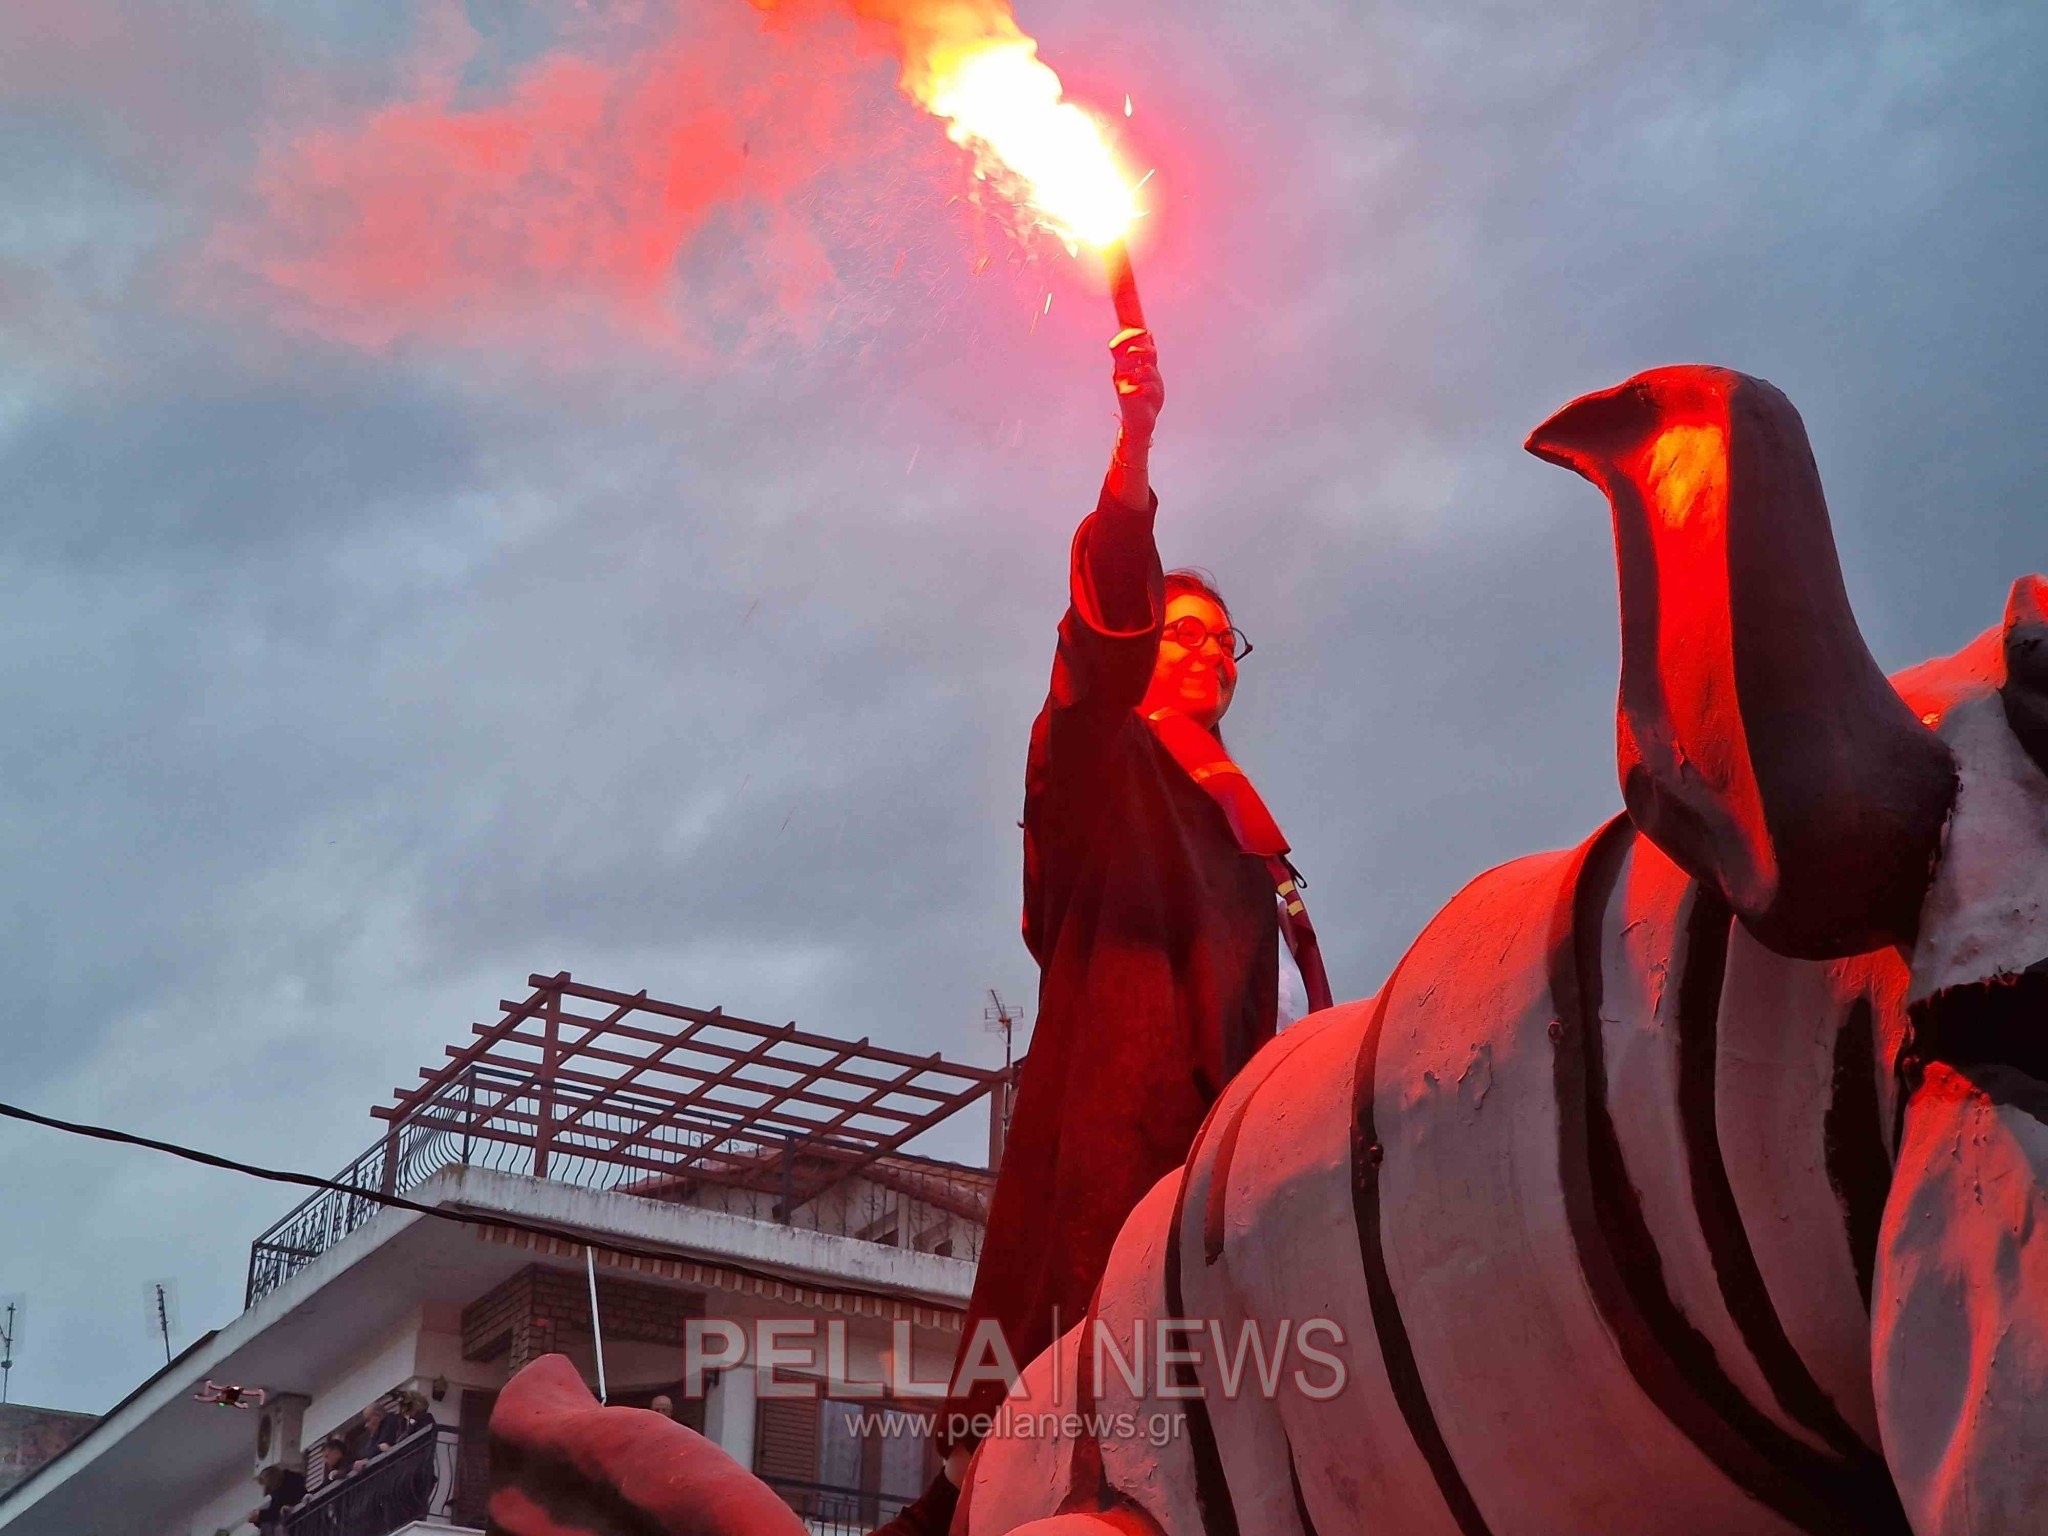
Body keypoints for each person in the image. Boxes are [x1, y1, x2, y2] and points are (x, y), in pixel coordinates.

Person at [936, 325, 1332, 1449]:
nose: (1210, 653)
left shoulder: (1243, 821)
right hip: (1120, 1166)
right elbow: (1101, 632)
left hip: (1231, 1156)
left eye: (1225, 641)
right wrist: (1134, 440)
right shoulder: (1103, 764)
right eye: (1184, 633)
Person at [247, 1462, 306, 1534]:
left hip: (299, 1524)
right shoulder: (292, 1479)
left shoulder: (282, 1492)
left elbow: (274, 1513)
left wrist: (259, 1516)